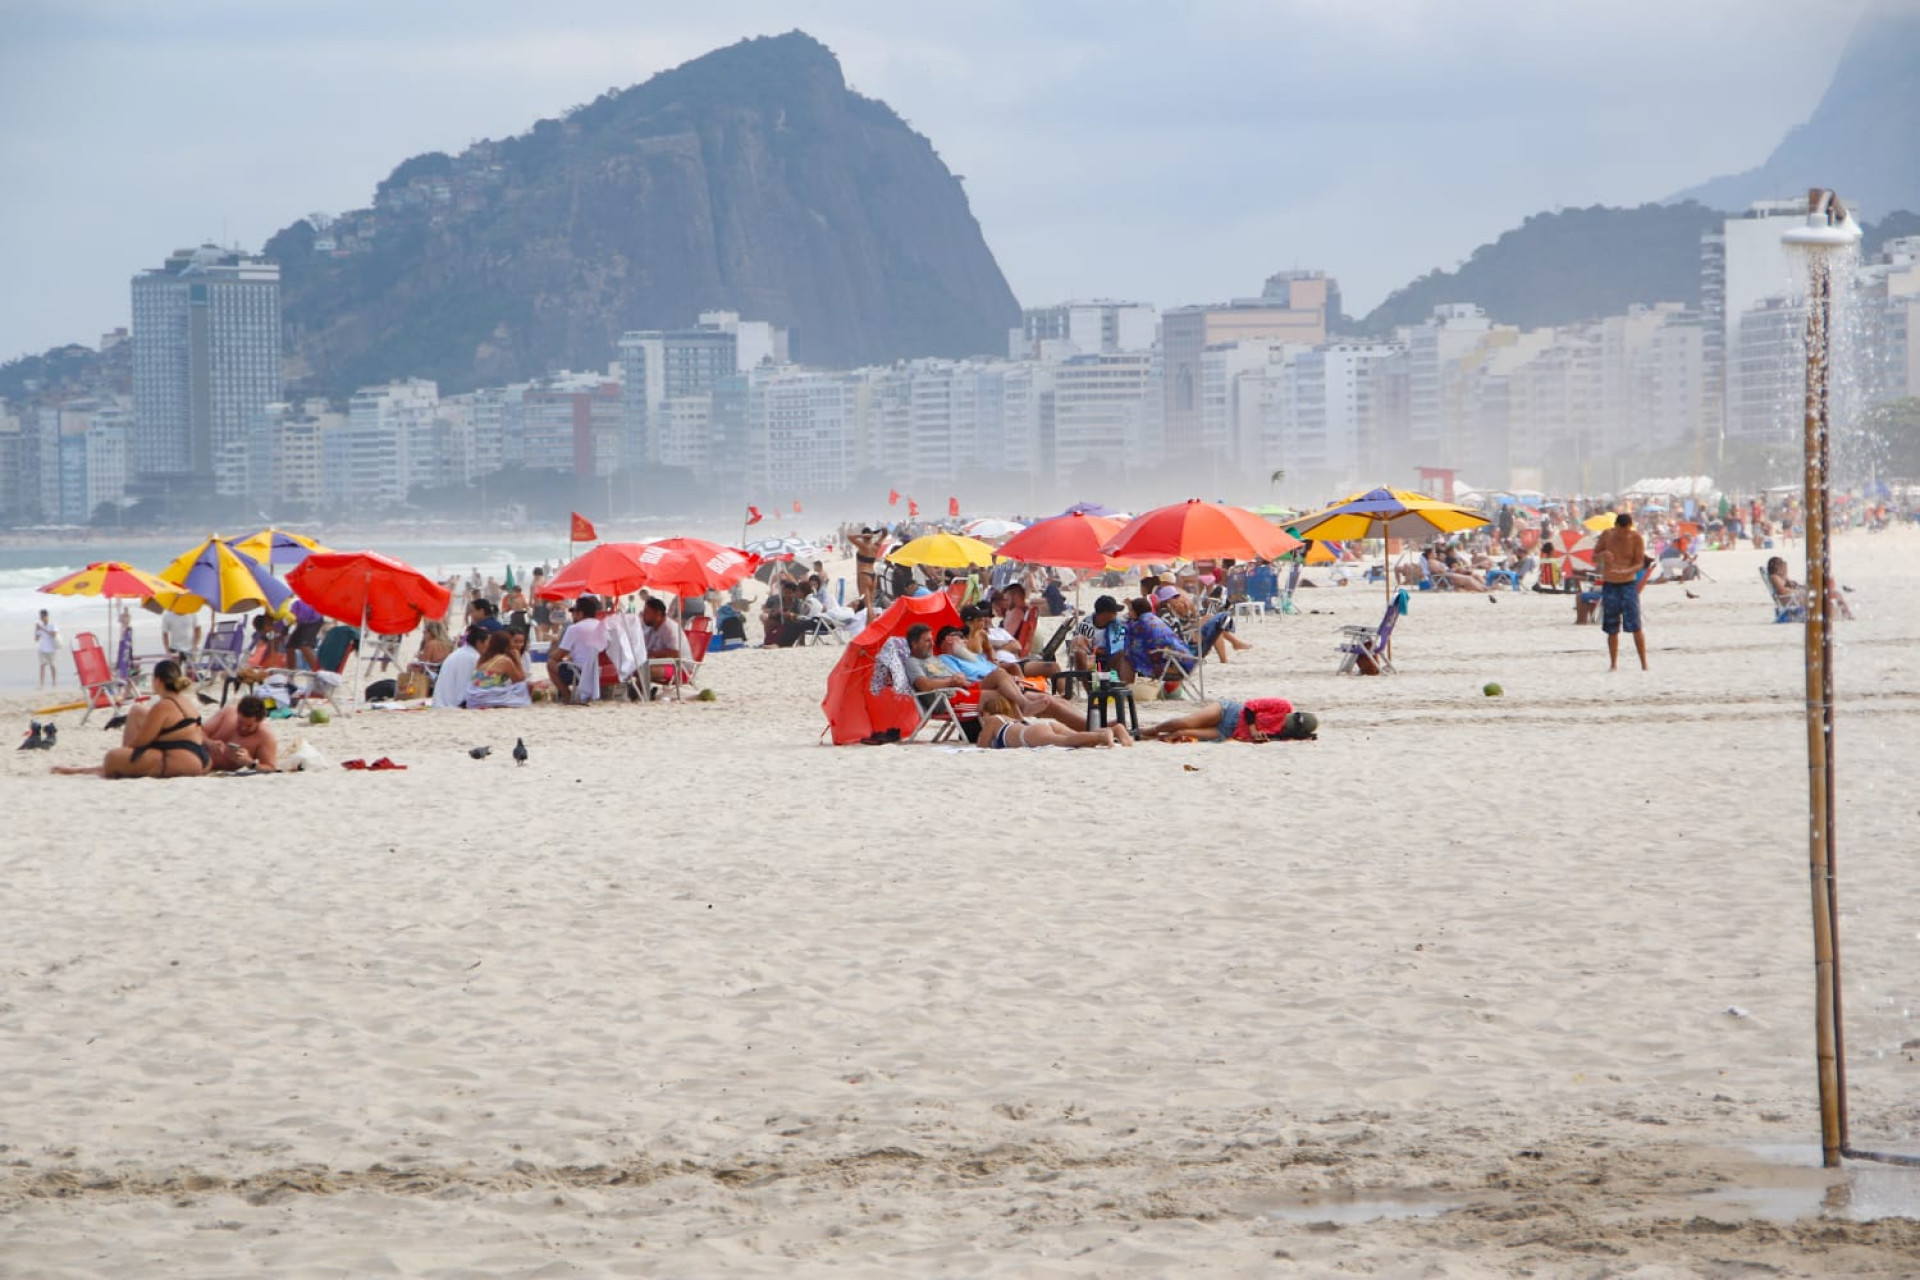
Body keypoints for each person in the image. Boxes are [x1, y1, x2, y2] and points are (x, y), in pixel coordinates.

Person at [53, 660, 209, 778]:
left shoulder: (163, 706)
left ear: (158, 681)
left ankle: (94, 769)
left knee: (112, 757)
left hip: (178, 761)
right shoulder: (186, 702)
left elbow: (141, 742)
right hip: (201, 760)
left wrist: (127, 753)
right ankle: (92, 769)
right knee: (137, 710)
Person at [976, 691, 1133, 749]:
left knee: (1067, 741)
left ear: (988, 713)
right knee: (1077, 738)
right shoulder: (1010, 719)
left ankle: (1101, 736)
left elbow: (981, 745)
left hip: (1029, 734)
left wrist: (983, 728)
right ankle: (1115, 730)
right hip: (1041, 725)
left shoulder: (993, 720)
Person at [1594, 512, 1648, 670]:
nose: (1623, 534)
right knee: (1612, 626)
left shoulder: (1636, 538)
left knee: (1635, 625)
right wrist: (1602, 555)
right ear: (1615, 527)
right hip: (1610, 583)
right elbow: (1594, 557)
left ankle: (1644, 663)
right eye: (1621, 531)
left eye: (1626, 531)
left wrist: (1627, 571)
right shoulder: (1606, 536)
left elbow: (1639, 563)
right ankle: (1613, 664)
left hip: (1628, 583)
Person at [1139, 698, 1319, 743]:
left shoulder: (1284, 735)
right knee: (1184, 722)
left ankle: (1151, 738)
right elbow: (1250, 706)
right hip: (1230, 712)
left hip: (1228, 732)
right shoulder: (1283, 706)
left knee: (1181, 734)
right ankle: (1150, 730)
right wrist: (1254, 729)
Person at [549, 595, 607, 704]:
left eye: (574, 613)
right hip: (603, 671)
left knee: (551, 664)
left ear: (580, 614)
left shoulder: (574, 628)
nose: (573, 616)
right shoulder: (602, 626)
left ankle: (567, 696)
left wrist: (553, 649)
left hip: (581, 672)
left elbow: (559, 655)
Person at [204, 695, 280, 772]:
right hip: (200, 753)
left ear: (259, 721)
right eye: (240, 722)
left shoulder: (265, 737)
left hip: (211, 768)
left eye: (249, 726)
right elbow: (198, 731)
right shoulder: (228, 713)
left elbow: (271, 768)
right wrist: (210, 743)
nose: (243, 728)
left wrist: (250, 763)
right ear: (237, 713)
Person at [1069, 595, 1133, 684]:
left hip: (1110, 659)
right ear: (1104, 613)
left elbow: (1119, 645)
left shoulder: (1117, 625)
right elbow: (1080, 645)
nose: (1116, 614)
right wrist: (1096, 651)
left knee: (1122, 653)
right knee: (1079, 651)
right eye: (1114, 611)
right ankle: (1088, 688)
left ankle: (1113, 683)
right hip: (1090, 659)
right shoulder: (1087, 624)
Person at [1767, 555, 1854, 620]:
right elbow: (1783, 591)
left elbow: (1788, 587)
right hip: (1796, 599)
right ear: (1777, 566)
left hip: (1797, 598)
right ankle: (1846, 615)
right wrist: (1799, 591)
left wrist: (1802, 588)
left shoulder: (1782, 577)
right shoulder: (1775, 577)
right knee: (1833, 596)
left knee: (1832, 596)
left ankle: (1845, 614)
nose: (1784, 567)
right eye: (1782, 565)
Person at [432, 624, 487, 708]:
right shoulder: (474, 658)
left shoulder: (460, 653)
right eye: (487, 642)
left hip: (440, 700)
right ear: (479, 643)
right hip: (454, 703)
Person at [639, 596, 684, 691]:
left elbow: (676, 654)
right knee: (634, 666)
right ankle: (639, 693)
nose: (643, 615)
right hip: (662, 664)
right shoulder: (653, 628)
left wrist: (653, 654)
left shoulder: (669, 629)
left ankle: (642, 695)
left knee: (643, 670)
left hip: (678, 668)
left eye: (647, 612)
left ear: (658, 614)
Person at [35, 609, 60, 688]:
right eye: (40, 617)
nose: (41, 618)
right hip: (42, 648)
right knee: (42, 665)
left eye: (42, 617)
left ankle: (54, 683)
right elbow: (36, 639)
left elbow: (54, 634)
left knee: (52, 665)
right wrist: (36, 630)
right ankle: (42, 684)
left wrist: (42, 629)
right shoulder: (40, 626)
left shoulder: (52, 624)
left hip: (52, 648)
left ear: (46, 616)